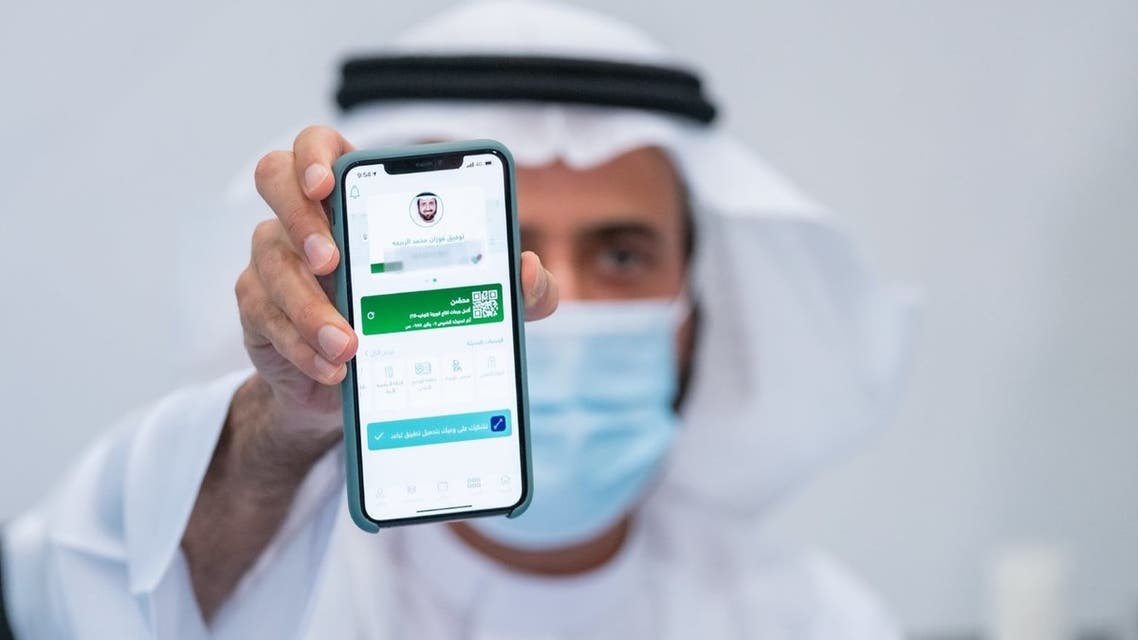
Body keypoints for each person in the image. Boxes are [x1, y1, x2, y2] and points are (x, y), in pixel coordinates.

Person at [0, 1, 914, 638]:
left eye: (622, 256)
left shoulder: (814, 621)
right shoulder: (254, 587)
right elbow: (82, 595)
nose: (555, 301)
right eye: (503, 249)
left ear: (700, 303)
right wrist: (275, 430)